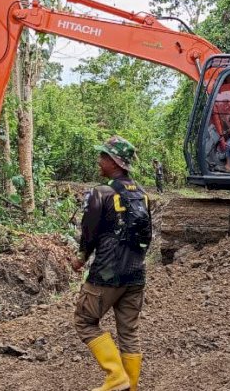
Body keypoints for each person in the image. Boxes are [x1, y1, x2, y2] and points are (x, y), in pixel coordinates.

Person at [72, 136, 152, 391]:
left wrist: (81, 257)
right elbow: (146, 235)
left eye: (103, 157)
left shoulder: (101, 192)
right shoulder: (143, 194)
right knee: (128, 331)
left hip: (107, 273)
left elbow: (89, 231)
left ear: (115, 162)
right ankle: (130, 386)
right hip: (136, 273)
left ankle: (116, 377)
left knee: (84, 321)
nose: (99, 161)